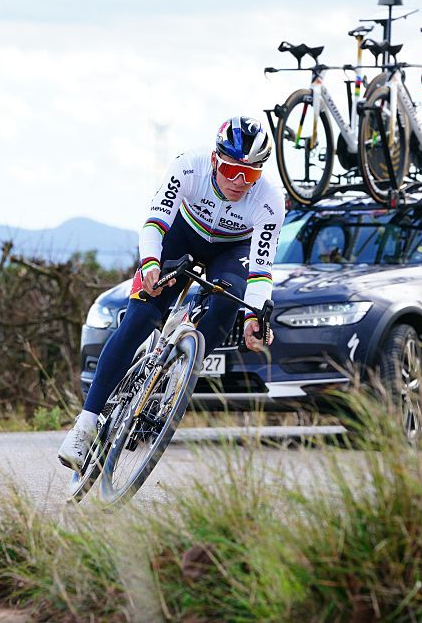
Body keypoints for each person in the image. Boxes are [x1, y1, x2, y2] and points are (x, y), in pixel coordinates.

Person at [58, 116, 287, 470]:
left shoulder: (270, 200)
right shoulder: (188, 166)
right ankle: (86, 424)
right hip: (182, 235)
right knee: (140, 317)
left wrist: (253, 317)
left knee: (229, 303)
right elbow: (155, 222)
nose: (240, 182)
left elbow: (260, 269)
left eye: (251, 174)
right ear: (215, 160)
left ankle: (176, 378)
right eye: (231, 171)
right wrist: (150, 264)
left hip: (231, 251)